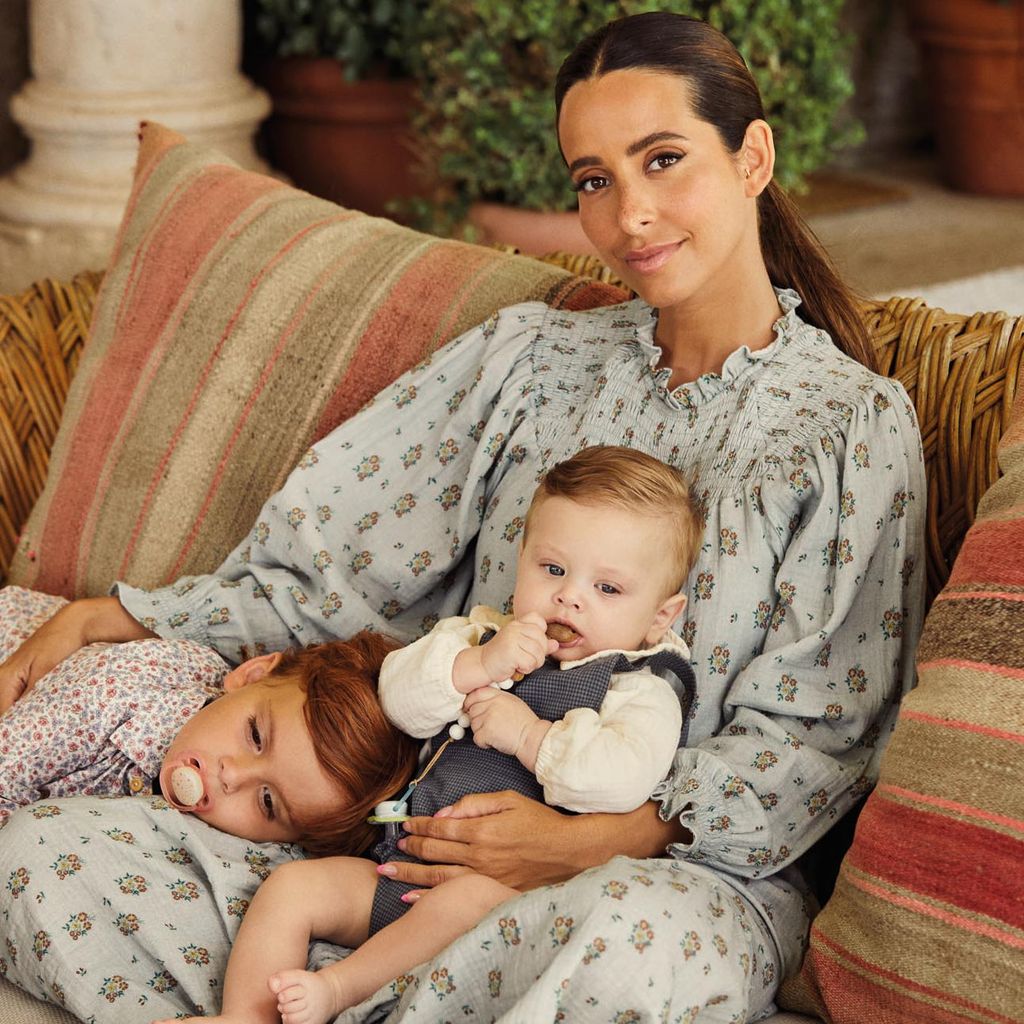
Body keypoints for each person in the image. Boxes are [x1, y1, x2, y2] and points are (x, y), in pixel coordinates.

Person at [0, 11, 926, 1022]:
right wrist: (117, 615)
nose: (630, 214)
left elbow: (816, 739)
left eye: (663, 160)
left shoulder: (847, 425)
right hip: (416, 847)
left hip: (671, 883)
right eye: (593, 180)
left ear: (752, 156)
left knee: (633, 953)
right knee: (45, 859)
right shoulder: (532, 361)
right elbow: (334, 563)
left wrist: (581, 843)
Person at [157, 445, 699, 1024]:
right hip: (395, 863)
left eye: (608, 589)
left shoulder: (642, 686)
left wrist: (528, 737)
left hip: (504, 894)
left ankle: (338, 989)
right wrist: (478, 667)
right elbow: (401, 698)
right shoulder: (483, 635)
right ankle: (246, 1017)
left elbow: (621, 780)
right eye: (553, 569)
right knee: (292, 888)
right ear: (522, 559)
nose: (570, 596)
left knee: (464, 903)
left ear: (661, 617)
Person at [0, 585, 418, 855]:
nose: (231, 777)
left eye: (268, 801)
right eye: (254, 735)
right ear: (251, 675)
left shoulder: (235, 844)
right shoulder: (115, 693)